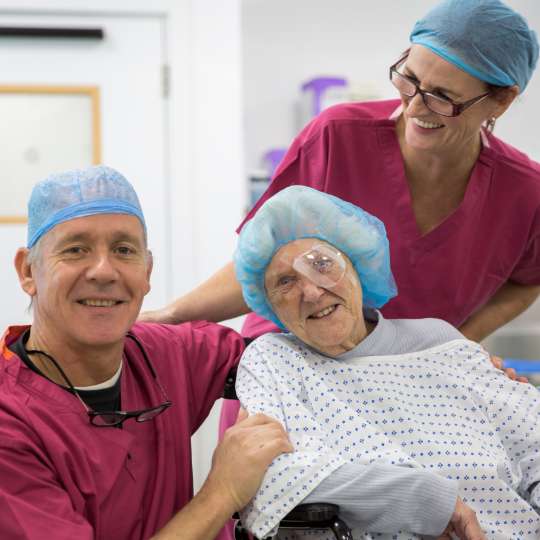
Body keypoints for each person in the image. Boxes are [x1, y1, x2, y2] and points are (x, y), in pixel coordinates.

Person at [141, 4, 539, 536]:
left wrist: (450, 351)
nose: (416, 105)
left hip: (417, 387)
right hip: (304, 365)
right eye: (410, 77)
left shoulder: (524, 192)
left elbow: (529, 277)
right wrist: (165, 314)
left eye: (443, 96)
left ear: (502, 99)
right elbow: (265, 259)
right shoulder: (337, 137)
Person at [0, 165, 293, 540]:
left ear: (147, 271)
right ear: (27, 271)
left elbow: (293, 360)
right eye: (76, 250)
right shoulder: (11, 424)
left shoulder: (166, 352)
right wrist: (223, 491)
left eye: (124, 250)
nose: (104, 271)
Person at [235, 185, 540, 540]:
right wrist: (427, 499)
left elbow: (533, 445)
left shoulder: (439, 341)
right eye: (286, 282)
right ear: (270, 305)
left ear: (357, 268)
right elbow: (266, 478)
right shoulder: (275, 360)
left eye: (322, 265)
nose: (312, 292)